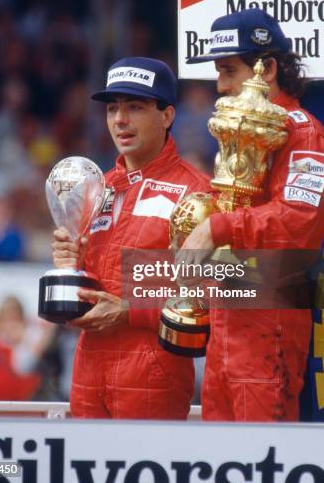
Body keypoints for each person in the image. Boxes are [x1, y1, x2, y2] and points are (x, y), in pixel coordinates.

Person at [181, 8, 324, 422]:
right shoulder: (237, 132)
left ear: (266, 68)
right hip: (226, 324)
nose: (220, 86)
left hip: (270, 329)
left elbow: (296, 225)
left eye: (228, 71)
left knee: (262, 463)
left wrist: (217, 227)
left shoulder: (304, 134)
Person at [53, 57, 209, 419]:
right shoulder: (95, 189)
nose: (120, 120)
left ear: (167, 116)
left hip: (154, 369)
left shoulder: (197, 194)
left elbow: (224, 293)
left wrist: (130, 311)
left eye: (135, 107)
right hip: (88, 364)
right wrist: (69, 265)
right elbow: (92, 281)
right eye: (112, 109)